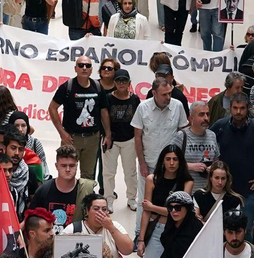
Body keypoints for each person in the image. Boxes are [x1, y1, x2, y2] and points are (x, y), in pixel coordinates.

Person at [211, 94, 254, 228]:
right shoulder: (220, 125)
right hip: (222, 188)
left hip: (248, 189)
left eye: (242, 108)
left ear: (248, 109)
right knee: (220, 228)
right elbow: (207, 142)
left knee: (246, 229)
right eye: (235, 108)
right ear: (230, 108)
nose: (238, 112)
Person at [137, 146, 191, 258]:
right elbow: (146, 212)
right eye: (168, 159)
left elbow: (181, 212)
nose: (172, 163)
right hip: (156, 231)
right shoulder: (152, 179)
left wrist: (153, 207)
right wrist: (141, 239)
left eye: (175, 159)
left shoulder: (186, 182)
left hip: (176, 233)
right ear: (162, 161)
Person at [49, 59, 106, 182]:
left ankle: (84, 201)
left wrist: (108, 133)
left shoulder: (97, 87)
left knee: (88, 177)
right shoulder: (67, 87)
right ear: (75, 68)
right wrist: (61, 132)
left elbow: (103, 111)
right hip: (71, 139)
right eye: (81, 65)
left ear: (91, 69)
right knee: (66, 172)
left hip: (92, 139)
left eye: (87, 65)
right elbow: (52, 108)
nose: (84, 68)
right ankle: (66, 201)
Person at [99, 69, 144, 210]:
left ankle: (131, 199)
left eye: (124, 81)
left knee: (130, 172)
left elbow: (139, 121)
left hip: (129, 140)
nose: (122, 83)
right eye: (119, 81)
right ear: (114, 83)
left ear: (129, 83)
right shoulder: (108, 98)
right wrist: (107, 136)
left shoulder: (135, 99)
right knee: (108, 172)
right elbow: (103, 117)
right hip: (111, 140)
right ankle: (108, 199)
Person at [29, 145, 98, 231]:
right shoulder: (43, 191)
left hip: (77, 241)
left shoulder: (87, 191)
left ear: (77, 165)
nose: (68, 169)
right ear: (56, 166)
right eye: (63, 166)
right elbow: (32, 220)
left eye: (72, 165)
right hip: (49, 242)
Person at [133, 75, 188, 177]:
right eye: (164, 94)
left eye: (169, 93)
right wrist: (142, 164)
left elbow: (183, 136)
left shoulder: (178, 106)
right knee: (145, 193)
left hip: (171, 167)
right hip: (149, 165)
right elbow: (137, 138)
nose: (168, 97)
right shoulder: (142, 108)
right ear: (154, 93)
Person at [154, 191, 203, 258]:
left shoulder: (196, 228)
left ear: (187, 208)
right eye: (170, 207)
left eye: (178, 207)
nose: (173, 211)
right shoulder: (170, 223)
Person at [178, 100, 220, 181]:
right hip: (187, 189)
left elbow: (216, 160)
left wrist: (213, 167)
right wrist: (190, 166)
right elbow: (170, 163)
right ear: (191, 118)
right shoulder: (181, 136)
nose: (206, 118)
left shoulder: (212, 135)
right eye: (201, 115)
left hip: (207, 189)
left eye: (207, 114)